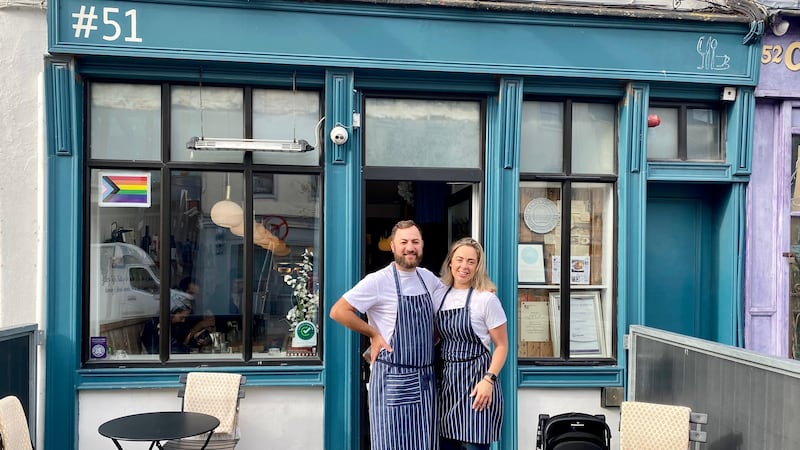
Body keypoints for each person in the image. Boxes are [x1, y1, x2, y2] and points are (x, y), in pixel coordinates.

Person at [330, 219, 447, 450]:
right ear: (393, 246)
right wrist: (372, 333)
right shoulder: (377, 281)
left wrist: (482, 291)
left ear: (422, 245)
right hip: (392, 381)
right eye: (403, 242)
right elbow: (338, 311)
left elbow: (451, 304)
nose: (410, 247)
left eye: (415, 241)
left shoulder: (429, 278)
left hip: (425, 380)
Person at [435, 237, 508, 450]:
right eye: (459, 260)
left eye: (470, 261)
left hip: (477, 384)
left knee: (473, 445)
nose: (464, 266)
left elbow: (502, 346)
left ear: (477, 266)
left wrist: (489, 380)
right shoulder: (439, 295)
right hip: (447, 383)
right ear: (450, 262)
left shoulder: (486, 300)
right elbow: (434, 337)